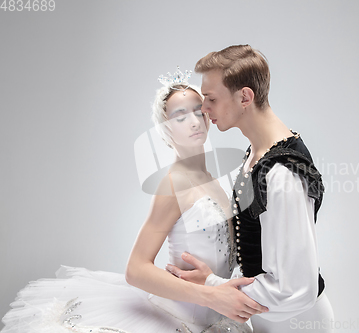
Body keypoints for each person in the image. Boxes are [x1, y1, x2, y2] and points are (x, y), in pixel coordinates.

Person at [1, 68, 267, 333]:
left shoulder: (213, 180)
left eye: (198, 110)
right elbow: (136, 269)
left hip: (219, 320)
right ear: (164, 128)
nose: (195, 122)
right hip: (177, 319)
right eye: (180, 116)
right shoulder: (173, 183)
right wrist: (211, 295)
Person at [166, 45, 335, 333]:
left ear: (245, 97)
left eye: (211, 99)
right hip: (268, 318)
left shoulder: (281, 173)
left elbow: (297, 288)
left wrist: (212, 285)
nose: (205, 110)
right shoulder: (257, 152)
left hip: (297, 324)